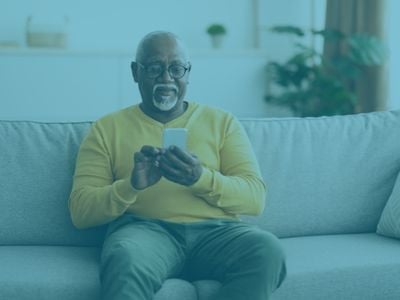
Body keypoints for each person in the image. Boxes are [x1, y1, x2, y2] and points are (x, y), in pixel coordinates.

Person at [69, 31, 286, 300]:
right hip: (145, 232)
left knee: (267, 250)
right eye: (154, 68)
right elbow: (81, 212)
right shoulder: (105, 129)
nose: (166, 78)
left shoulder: (223, 122)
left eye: (176, 68)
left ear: (188, 72)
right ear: (136, 72)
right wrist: (130, 186)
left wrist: (201, 178)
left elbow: (255, 199)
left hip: (217, 233)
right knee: (124, 257)